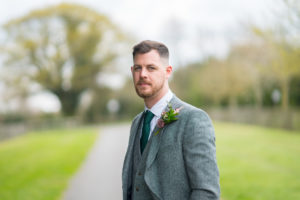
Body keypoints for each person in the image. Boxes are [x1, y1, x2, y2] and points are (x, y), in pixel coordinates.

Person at [122, 40, 220, 200]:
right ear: (132, 71)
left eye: (151, 68)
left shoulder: (194, 120)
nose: (143, 74)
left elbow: (206, 192)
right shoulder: (137, 122)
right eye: (138, 68)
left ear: (168, 71)